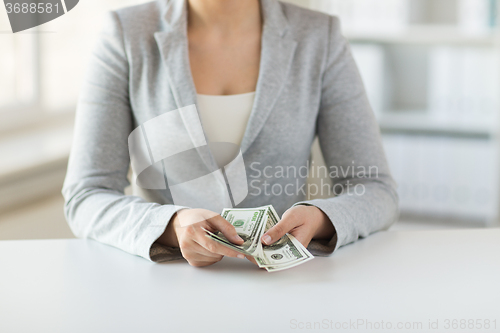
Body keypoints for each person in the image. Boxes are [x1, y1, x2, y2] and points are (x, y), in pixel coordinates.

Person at [63, 0, 399, 267]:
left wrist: (322, 219)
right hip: (165, 289)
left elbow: (375, 189)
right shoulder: (125, 34)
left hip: (285, 290)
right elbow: (86, 194)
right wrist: (171, 226)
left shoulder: (319, 37)